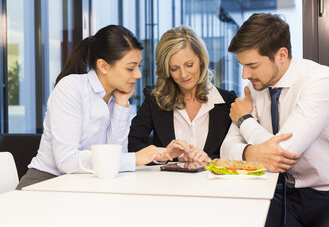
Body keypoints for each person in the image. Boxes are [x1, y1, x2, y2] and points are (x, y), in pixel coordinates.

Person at [221, 13, 329, 227]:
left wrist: (244, 119)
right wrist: (250, 153)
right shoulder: (257, 87)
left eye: (252, 65)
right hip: (286, 197)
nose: (245, 74)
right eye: (242, 65)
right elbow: (227, 149)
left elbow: (283, 153)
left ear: (281, 55)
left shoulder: (320, 81)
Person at [17, 25, 171, 189]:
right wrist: (134, 159)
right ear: (103, 66)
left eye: (139, 66)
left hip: (87, 184)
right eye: (130, 68)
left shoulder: (115, 97)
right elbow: (67, 161)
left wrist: (121, 105)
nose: (138, 75)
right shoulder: (71, 88)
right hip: (45, 183)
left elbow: (116, 157)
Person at [128, 26, 236, 162]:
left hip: (212, 182)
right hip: (167, 183)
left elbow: (236, 153)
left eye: (189, 65)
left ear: (201, 60)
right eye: (174, 68)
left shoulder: (227, 102)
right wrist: (162, 154)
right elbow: (132, 145)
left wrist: (210, 160)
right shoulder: (155, 100)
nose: (184, 75)